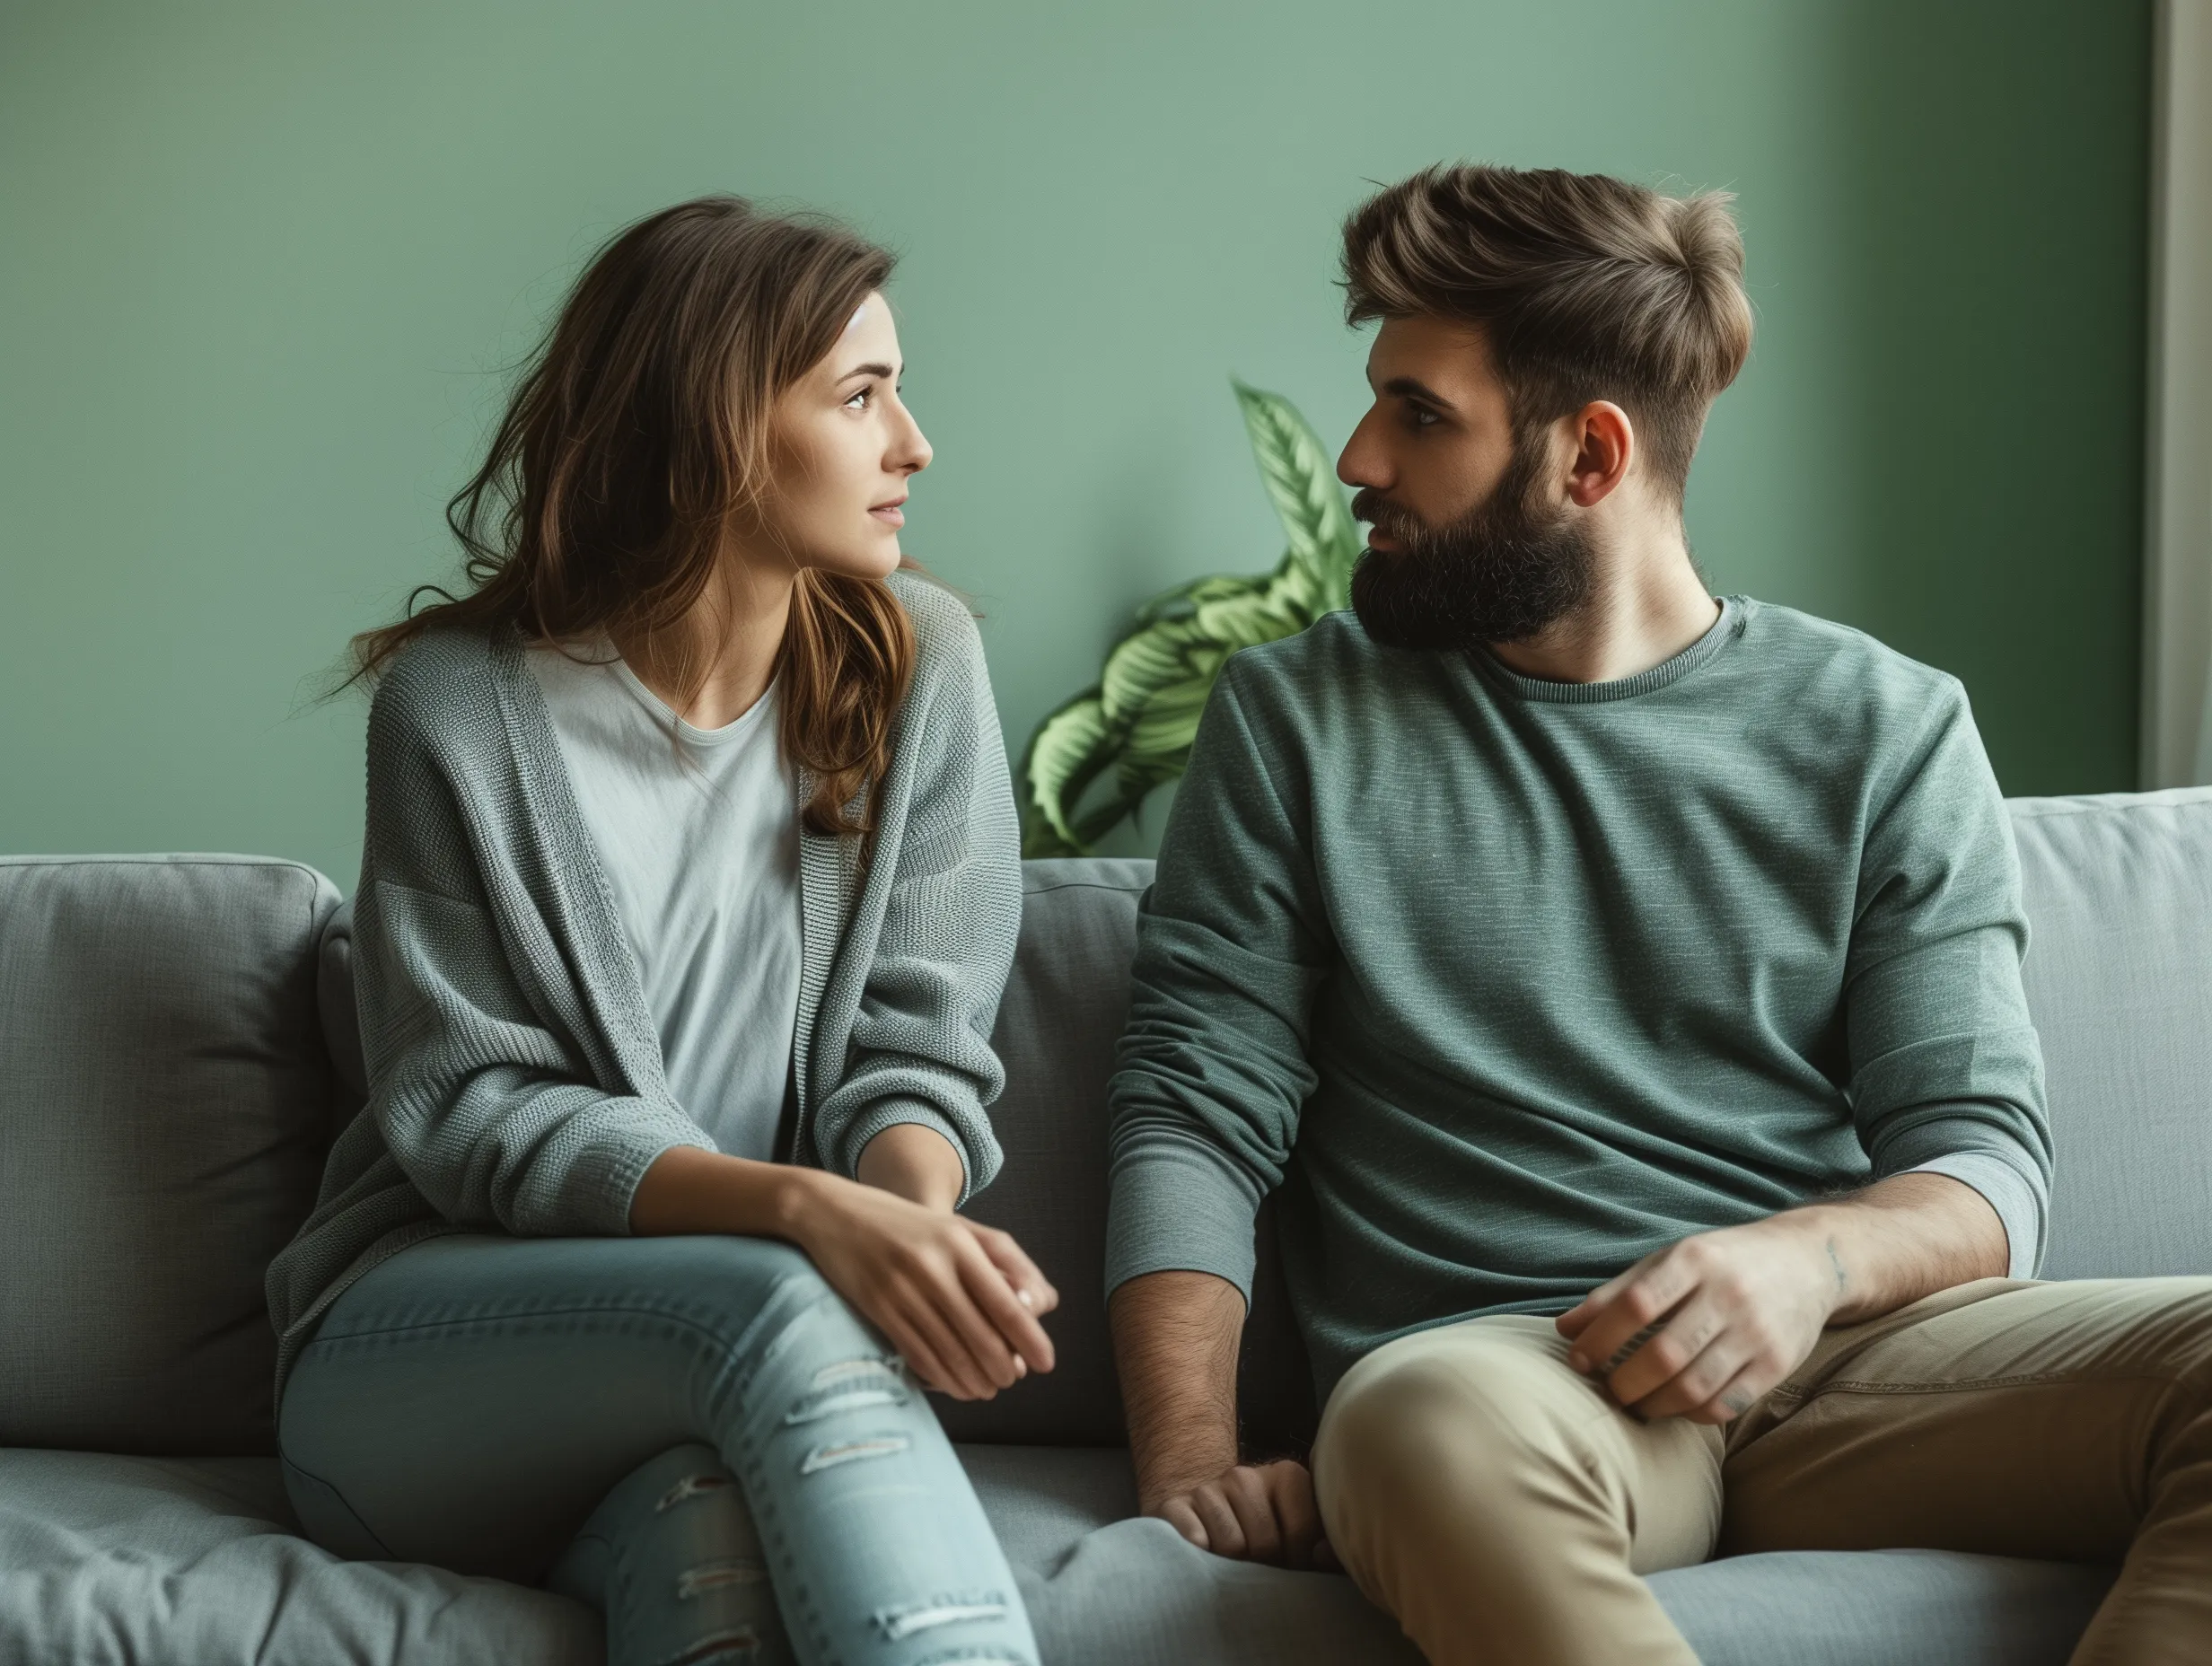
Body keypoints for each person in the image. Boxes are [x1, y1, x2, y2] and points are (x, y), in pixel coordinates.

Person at [1104, 162, 2212, 1665]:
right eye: (1377, 401)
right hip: (1516, 1378)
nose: (1359, 455)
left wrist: (1803, 1264)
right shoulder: (1297, 720)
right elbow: (1194, 1106)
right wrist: (1186, 1459)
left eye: (1421, 414)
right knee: (1415, 1425)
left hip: (1838, 1360)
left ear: (1590, 454)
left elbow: (1981, 1165)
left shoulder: (1888, 728)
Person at [266, 196, 1051, 1666]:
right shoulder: (460, 708)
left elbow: (917, 1045)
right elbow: (476, 1116)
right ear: (718, 428)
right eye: (862, 396)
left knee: (715, 1571)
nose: (914, 444)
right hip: (415, 1357)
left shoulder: (923, 671)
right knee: (772, 1303)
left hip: (705, 1380)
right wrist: (815, 1216)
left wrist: (910, 1227)